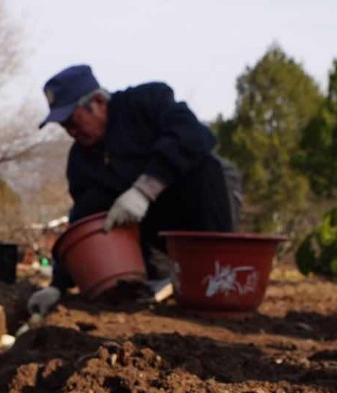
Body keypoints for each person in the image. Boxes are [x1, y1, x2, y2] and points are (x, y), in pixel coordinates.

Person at [30, 64, 241, 316]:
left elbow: (194, 137)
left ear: (98, 102)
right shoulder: (81, 161)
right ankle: (159, 278)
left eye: (74, 122)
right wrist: (58, 284)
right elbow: (84, 220)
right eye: (65, 127)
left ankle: (214, 270)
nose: (71, 132)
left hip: (202, 203)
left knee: (206, 167)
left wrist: (145, 189)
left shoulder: (145, 103)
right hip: (152, 229)